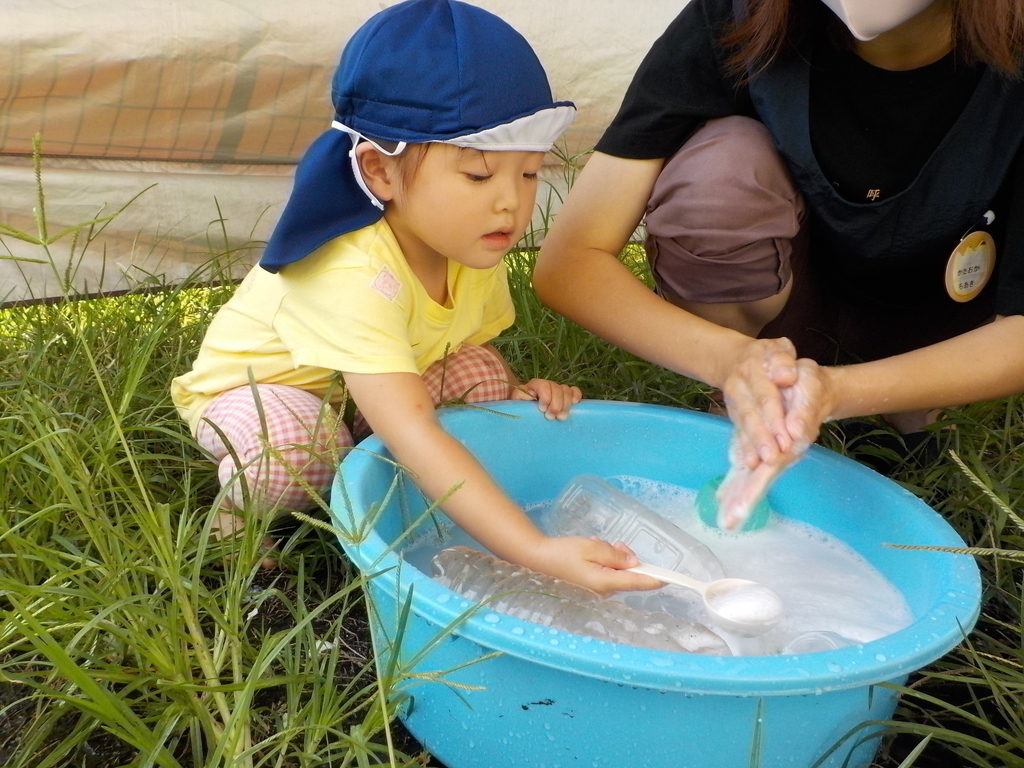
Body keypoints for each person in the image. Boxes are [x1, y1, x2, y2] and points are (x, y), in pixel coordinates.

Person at [171, 0, 659, 592]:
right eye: (479, 175)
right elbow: (415, 428)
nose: (511, 201)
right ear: (379, 172)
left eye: (528, 173)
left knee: (481, 374)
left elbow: (460, 346)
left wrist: (513, 391)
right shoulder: (350, 269)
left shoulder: (470, 239)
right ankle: (234, 522)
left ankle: (372, 466)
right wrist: (533, 548)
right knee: (303, 451)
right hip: (265, 391)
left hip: (363, 389)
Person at [534, 0, 1024, 517]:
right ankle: (750, 400)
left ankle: (918, 410)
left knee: (927, 470)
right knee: (719, 177)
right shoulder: (739, 14)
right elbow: (571, 260)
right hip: (781, 317)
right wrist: (730, 359)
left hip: (944, 328)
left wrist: (839, 392)